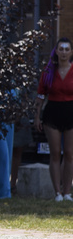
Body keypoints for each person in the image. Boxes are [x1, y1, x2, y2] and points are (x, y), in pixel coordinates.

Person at [35, 37, 73, 202]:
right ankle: (57, 192)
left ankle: (67, 192)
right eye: (61, 49)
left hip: (71, 113)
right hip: (52, 114)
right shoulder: (48, 72)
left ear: (71, 52)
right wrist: (37, 116)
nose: (64, 52)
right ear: (56, 52)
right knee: (55, 153)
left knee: (70, 154)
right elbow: (40, 96)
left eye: (67, 49)